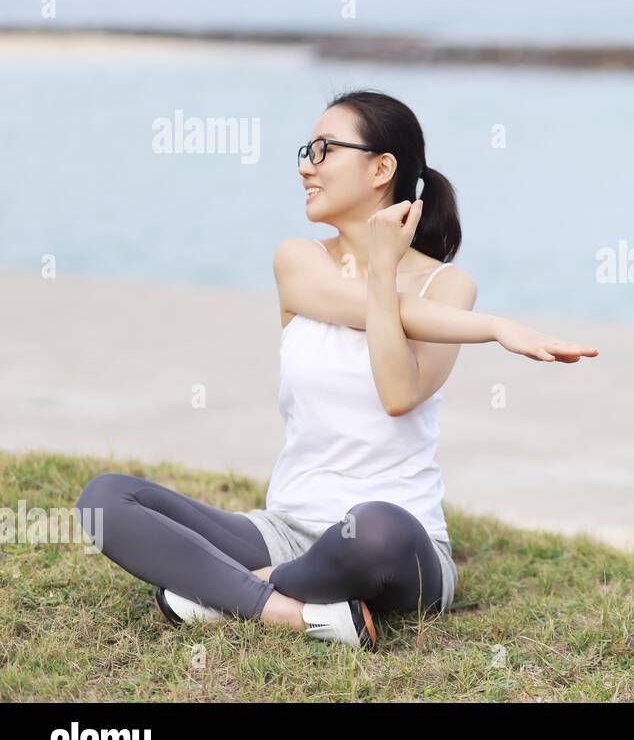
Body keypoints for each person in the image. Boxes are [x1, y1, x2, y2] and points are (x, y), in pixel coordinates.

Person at [75, 90, 598, 649]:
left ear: (381, 168)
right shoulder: (298, 261)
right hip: (283, 531)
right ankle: (288, 611)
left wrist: (402, 277)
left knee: (375, 528)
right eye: (307, 149)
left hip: (394, 540)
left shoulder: (447, 285)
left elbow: (397, 393)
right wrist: (493, 327)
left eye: (324, 150)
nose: (306, 164)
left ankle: (221, 594)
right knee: (105, 500)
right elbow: (376, 310)